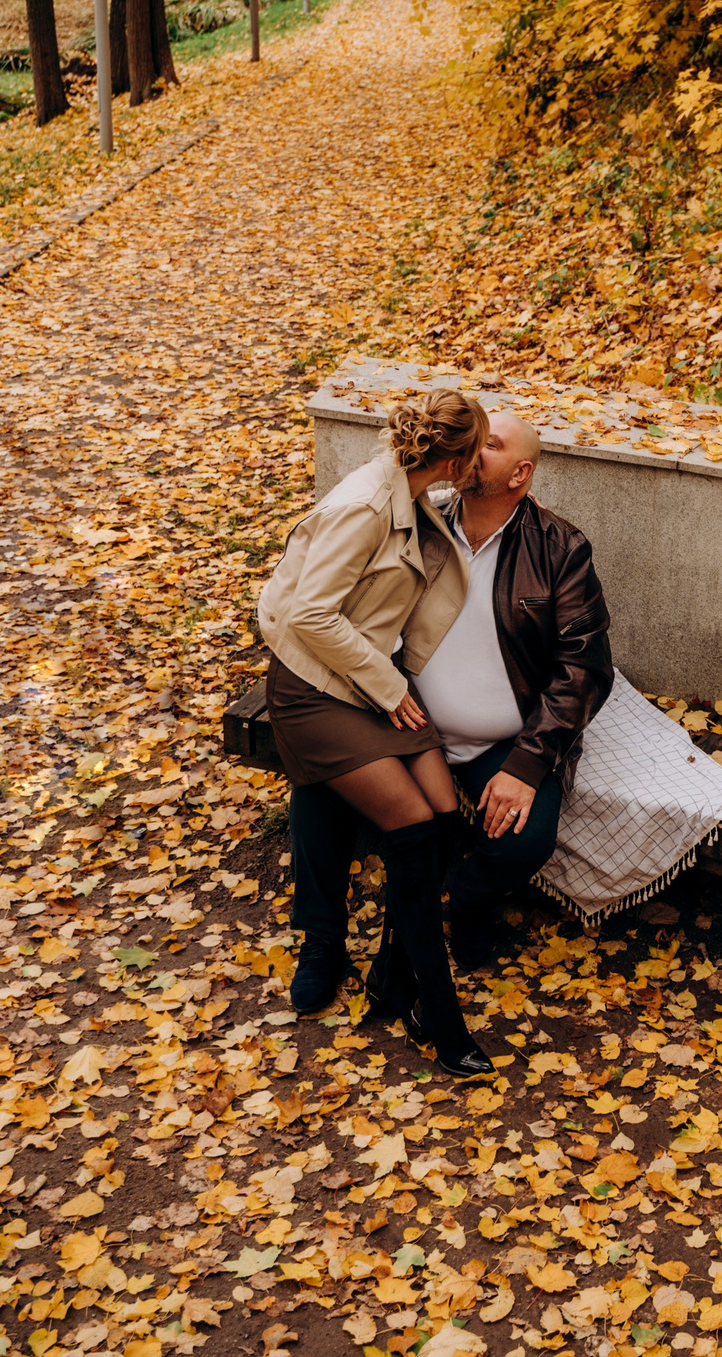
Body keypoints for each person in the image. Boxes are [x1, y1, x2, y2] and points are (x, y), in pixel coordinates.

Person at [290, 409, 613, 1013]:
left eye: (488, 445)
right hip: (402, 717)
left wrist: (527, 763)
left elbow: (584, 669)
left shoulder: (558, 547)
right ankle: (321, 939)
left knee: (523, 840)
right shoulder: (420, 519)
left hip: (503, 741)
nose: (471, 451)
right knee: (317, 787)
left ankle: (466, 902)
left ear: (520, 473)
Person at [259, 388, 494, 1078]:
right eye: (479, 449)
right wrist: (391, 691)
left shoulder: (417, 493)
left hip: (366, 679)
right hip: (315, 691)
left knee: (445, 813)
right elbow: (308, 615)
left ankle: (395, 974)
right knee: (416, 824)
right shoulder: (365, 505)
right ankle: (439, 1016)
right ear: (457, 458)